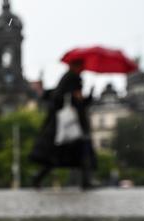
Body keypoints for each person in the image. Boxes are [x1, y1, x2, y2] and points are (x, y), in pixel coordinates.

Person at [29, 60, 97, 190]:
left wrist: (88, 95)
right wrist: (76, 97)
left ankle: (85, 181)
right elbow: (63, 98)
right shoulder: (71, 78)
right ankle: (85, 181)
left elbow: (73, 100)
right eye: (80, 65)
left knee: (60, 154)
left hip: (67, 122)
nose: (83, 67)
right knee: (76, 151)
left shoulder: (70, 78)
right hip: (69, 122)